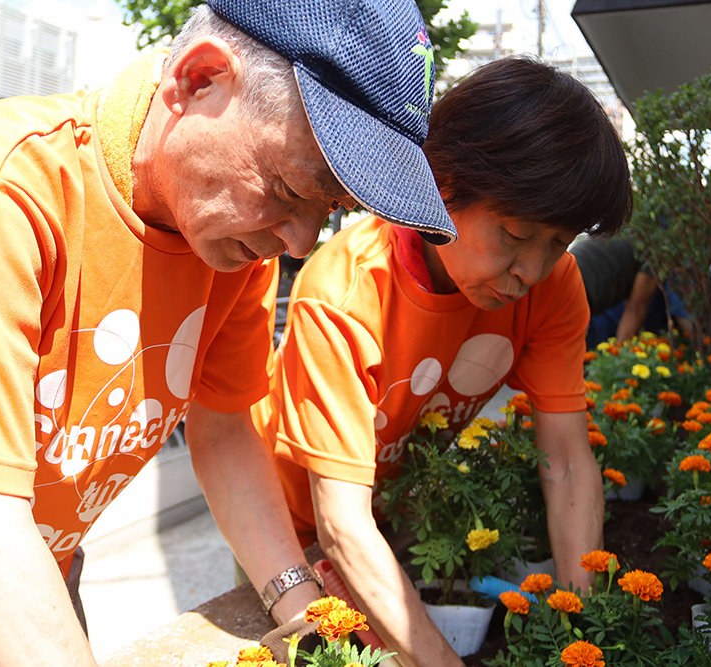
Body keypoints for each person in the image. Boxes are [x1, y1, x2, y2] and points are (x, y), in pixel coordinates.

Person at [0, 1, 456, 665]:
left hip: (41, 579)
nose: (297, 240)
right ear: (199, 79)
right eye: (289, 187)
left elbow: (226, 432)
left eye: (328, 212)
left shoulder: (231, 240)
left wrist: (306, 615)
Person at [251, 57, 632, 667]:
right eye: (513, 233)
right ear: (441, 182)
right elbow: (338, 525)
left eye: (558, 244)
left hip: (385, 516)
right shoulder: (347, 292)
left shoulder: (554, 287)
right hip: (288, 524)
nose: (530, 272)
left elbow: (566, 459)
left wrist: (579, 633)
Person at [570, 236, 691, 347]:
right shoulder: (653, 255)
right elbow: (635, 309)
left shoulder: (623, 232)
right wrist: (620, 357)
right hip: (580, 289)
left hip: (567, 268)